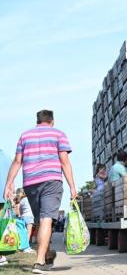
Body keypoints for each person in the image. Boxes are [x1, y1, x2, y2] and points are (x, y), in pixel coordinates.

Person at [3, 110, 77, 274]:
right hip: (51, 180)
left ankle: (48, 254)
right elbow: (64, 162)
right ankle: (39, 262)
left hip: (30, 183)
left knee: (41, 220)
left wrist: (8, 184)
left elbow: (17, 161)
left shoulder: (25, 136)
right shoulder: (58, 134)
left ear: (37, 121)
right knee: (45, 219)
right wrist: (72, 186)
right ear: (52, 121)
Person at [14, 188, 36, 253]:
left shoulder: (21, 200)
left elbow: (19, 210)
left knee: (23, 233)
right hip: (29, 217)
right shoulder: (28, 199)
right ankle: (26, 247)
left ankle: (24, 246)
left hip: (23, 217)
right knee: (28, 233)